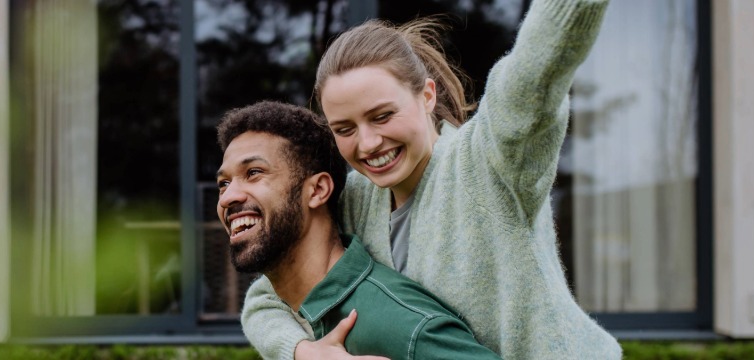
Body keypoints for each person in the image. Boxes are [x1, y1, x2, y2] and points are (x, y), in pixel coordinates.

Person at [241, 0, 622, 359]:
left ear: (426, 95)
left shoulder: (490, 162)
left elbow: (538, 67)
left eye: (382, 116)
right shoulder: (352, 200)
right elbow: (265, 299)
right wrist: (302, 350)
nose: (368, 144)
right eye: (345, 128)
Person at [216, 101, 500, 360]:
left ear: (317, 190)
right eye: (224, 183)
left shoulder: (404, 326)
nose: (227, 198)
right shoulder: (290, 316)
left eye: (254, 172)